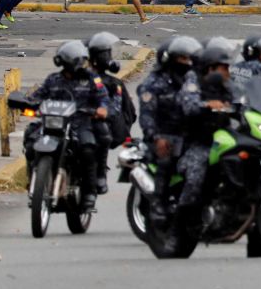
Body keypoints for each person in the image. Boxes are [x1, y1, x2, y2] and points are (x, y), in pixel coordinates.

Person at [31, 41, 109, 210]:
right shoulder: (53, 79)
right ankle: (35, 181)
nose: (82, 64)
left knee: (88, 149)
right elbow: (38, 96)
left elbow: (103, 97)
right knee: (31, 141)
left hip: (80, 123)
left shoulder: (91, 78)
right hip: (54, 123)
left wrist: (102, 108)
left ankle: (89, 193)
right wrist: (28, 104)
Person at [137, 36, 202, 219]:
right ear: (169, 59)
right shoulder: (154, 83)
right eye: (182, 58)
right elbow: (147, 115)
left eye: (189, 58)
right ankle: (158, 202)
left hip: (188, 135)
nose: (187, 63)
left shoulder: (193, 80)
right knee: (167, 159)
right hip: (163, 135)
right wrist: (156, 137)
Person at [176, 42, 235, 229]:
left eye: (227, 67)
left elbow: (244, 98)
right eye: (222, 67)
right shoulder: (194, 80)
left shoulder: (228, 83)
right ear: (211, 68)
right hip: (199, 140)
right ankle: (181, 225)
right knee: (196, 174)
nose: (226, 71)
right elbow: (189, 105)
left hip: (225, 137)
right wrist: (207, 105)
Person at [86, 32, 137, 194]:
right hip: (75, 122)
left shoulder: (112, 84)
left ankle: (100, 172)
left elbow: (119, 110)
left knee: (103, 132)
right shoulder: (76, 78)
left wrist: (101, 114)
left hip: (99, 125)